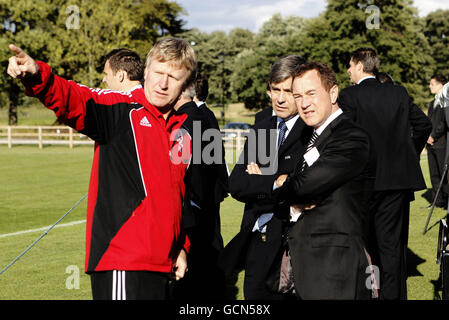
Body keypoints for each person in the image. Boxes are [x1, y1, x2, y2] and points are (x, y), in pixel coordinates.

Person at [6, 38, 197, 300]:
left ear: (185, 83)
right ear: (147, 71)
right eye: (158, 73)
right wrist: (39, 76)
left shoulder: (181, 130)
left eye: (174, 77)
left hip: (162, 264)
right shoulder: (120, 109)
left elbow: (177, 197)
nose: (163, 84)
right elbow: (75, 99)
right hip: (123, 261)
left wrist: (180, 247)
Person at [272, 61, 377, 300]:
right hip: (308, 264)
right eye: (297, 96)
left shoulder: (351, 137)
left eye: (311, 93)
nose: (304, 103)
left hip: (334, 267)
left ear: (333, 93)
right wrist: (290, 195)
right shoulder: (312, 137)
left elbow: (302, 186)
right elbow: (298, 192)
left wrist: (281, 184)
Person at [338, 47, 432, 300]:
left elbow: (344, 136)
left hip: (363, 183)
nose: (348, 70)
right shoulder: (398, 93)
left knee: (367, 246)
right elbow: (423, 125)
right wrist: (406, 155)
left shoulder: (349, 96)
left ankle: (372, 294)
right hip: (397, 182)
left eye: (349, 64)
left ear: (359, 65)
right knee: (391, 246)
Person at [220, 55, 311, 300]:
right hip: (256, 237)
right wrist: (274, 181)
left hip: (293, 242)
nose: (280, 98)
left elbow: (303, 187)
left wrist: (262, 180)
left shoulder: (312, 130)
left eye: (288, 91)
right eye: (275, 90)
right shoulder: (263, 127)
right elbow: (237, 184)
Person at [170, 84, 228, 300]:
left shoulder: (184, 121)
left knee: (195, 263)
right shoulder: (205, 115)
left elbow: (181, 166)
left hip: (192, 200)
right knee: (209, 253)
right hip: (208, 195)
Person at [427, 74, 448, 208]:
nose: (430, 86)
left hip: (441, 143)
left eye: (432, 84)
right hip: (430, 144)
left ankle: (446, 201)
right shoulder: (431, 103)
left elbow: (443, 123)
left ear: (441, 85)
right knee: (434, 174)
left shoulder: (446, 101)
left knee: (444, 175)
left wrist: (433, 136)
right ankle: (437, 201)